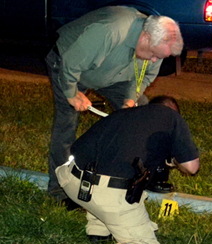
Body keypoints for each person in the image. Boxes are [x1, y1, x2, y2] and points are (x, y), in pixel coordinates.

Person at [55, 95, 199, 244]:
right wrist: (176, 160)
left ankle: (97, 230)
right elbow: (192, 167)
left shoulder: (123, 114)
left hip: (71, 180)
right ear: (173, 111)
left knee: (108, 168)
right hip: (108, 197)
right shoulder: (173, 119)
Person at [45, 5, 184, 202]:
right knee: (66, 122)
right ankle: (59, 189)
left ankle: (145, 174)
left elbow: (142, 78)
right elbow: (70, 62)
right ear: (145, 38)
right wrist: (72, 93)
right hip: (70, 65)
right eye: (153, 55)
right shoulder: (111, 30)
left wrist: (130, 98)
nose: (154, 60)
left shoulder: (156, 47)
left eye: (159, 58)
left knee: (143, 112)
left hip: (113, 74)